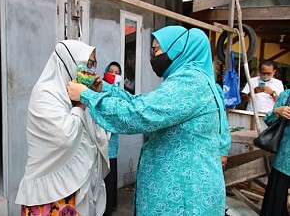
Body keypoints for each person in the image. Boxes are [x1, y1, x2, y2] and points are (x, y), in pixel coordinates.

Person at [67, 25, 231, 215]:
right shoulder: (191, 80)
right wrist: (104, 88)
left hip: (183, 195)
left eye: (156, 50)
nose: (153, 57)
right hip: (183, 190)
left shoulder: (190, 82)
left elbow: (140, 115)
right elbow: (142, 103)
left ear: (176, 50)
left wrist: (87, 96)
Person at [15, 40, 110, 216]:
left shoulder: (79, 94)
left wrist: (94, 98)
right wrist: (81, 105)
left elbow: (98, 137)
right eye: (88, 64)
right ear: (70, 62)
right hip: (48, 195)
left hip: (76, 188)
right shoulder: (45, 93)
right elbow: (65, 138)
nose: (92, 70)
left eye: (94, 64)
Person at [260, 89, 290, 216]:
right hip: (284, 164)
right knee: (276, 209)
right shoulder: (287, 95)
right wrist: (276, 112)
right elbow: (269, 120)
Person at [102, 61, 122, 216]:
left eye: (116, 72)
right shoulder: (99, 88)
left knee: (111, 171)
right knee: (102, 173)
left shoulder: (119, 93)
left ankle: (110, 205)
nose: (113, 74)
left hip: (112, 139)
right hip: (100, 138)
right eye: (110, 71)